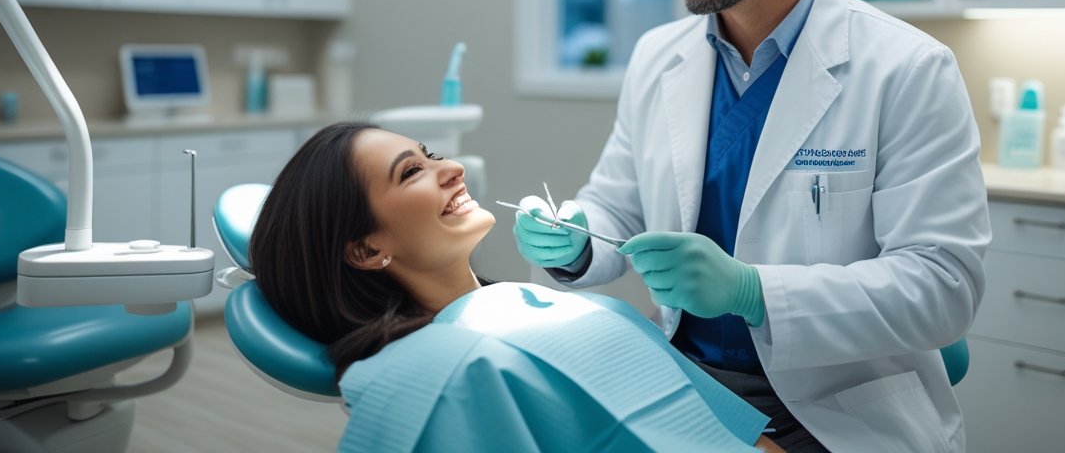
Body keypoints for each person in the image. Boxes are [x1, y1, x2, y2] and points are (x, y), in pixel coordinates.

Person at [513, 0, 992, 452]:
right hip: (684, 385)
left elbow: (944, 287)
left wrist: (753, 292)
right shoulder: (660, 56)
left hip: (840, 406)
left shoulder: (907, 68)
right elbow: (614, 207)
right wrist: (575, 241)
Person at [248, 121, 783, 452]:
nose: (453, 168)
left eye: (432, 154)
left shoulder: (534, 304)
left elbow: (735, 433)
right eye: (412, 172)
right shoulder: (430, 372)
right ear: (365, 249)